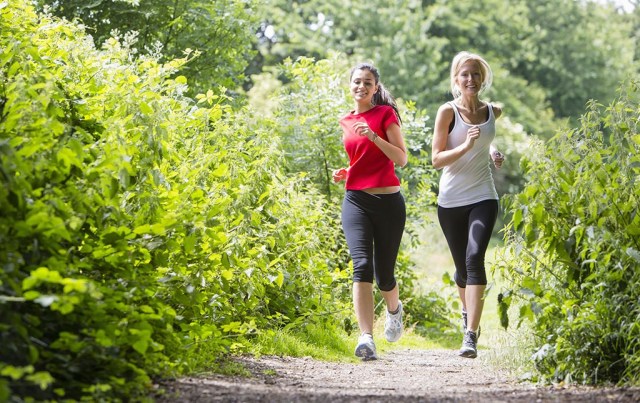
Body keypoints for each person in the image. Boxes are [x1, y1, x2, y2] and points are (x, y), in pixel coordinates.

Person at [431, 51, 505, 359]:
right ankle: (467, 314)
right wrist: (465, 146)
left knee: (475, 258)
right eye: (465, 74)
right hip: (450, 201)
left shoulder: (493, 110)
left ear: (483, 78)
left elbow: (487, 137)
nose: (471, 79)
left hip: (483, 196)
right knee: (462, 269)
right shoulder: (447, 112)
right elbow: (436, 159)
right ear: (456, 79)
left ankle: (471, 335)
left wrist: (492, 151)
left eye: (476, 74)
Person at [332, 62, 408, 360]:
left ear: (376, 88)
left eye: (367, 82)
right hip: (356, 199)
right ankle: (366, 337)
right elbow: (361, 158)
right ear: (350, 86)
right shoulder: (345, 121)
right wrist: (347, 170)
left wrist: (375, 137)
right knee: (361, 265)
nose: (361, 87)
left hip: (389, 202)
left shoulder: (385, 114)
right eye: (356, 82)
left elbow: (401, 158)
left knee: (384, 274)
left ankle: (394, 309)